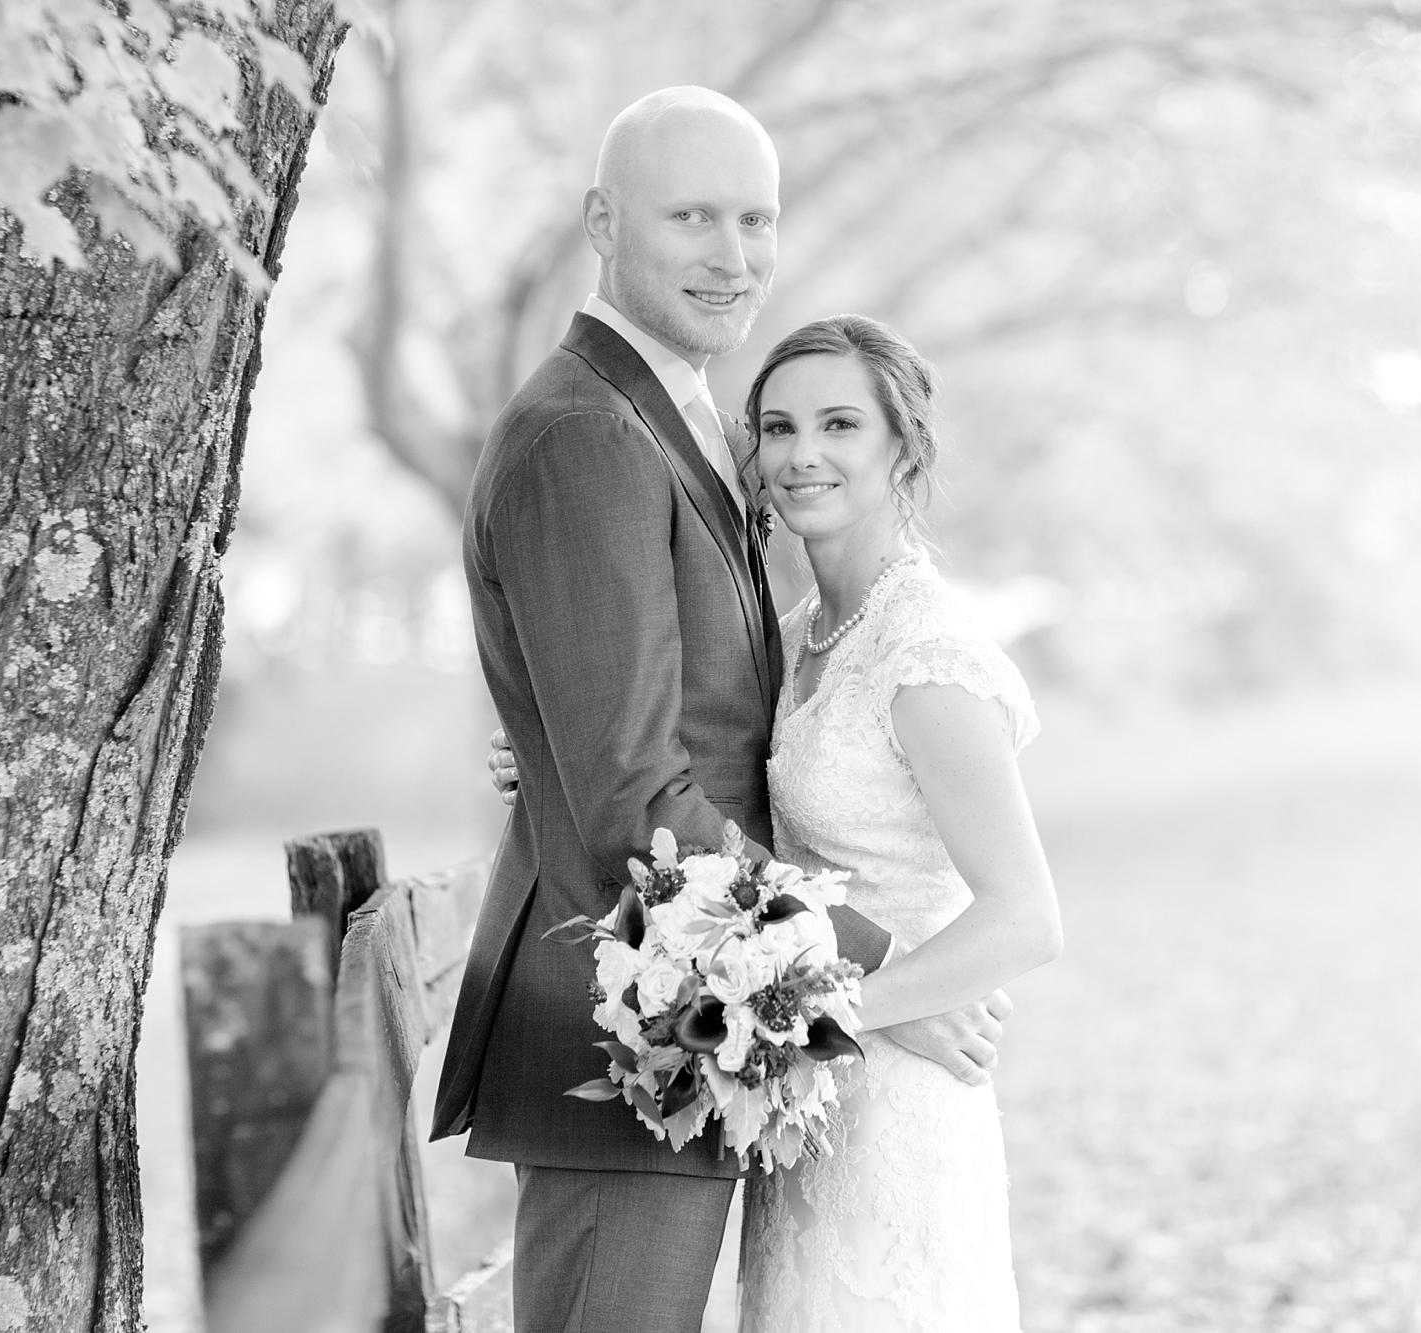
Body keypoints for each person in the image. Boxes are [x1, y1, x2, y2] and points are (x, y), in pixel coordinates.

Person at [434, 86, 1017, 1333]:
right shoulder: (586, 433)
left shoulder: (675, 422)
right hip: (622, 1030)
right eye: (690, 215)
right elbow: (634, 797)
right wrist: (871, 979)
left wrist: (548, 752)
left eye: (755, 219)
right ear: (600, 222)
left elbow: (671, 723)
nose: (732, 255)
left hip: (698, 1018)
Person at [487, 315, 1061, 1330]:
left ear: (904, 445)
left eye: (839, 423)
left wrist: (825, 1012)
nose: (800, 454)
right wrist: (543, 756)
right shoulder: (787, 639)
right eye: (776, 426)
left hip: (893, 1089)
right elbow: (671, 766)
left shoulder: (925, 654)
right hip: (798, 1092)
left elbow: (1024, 918)